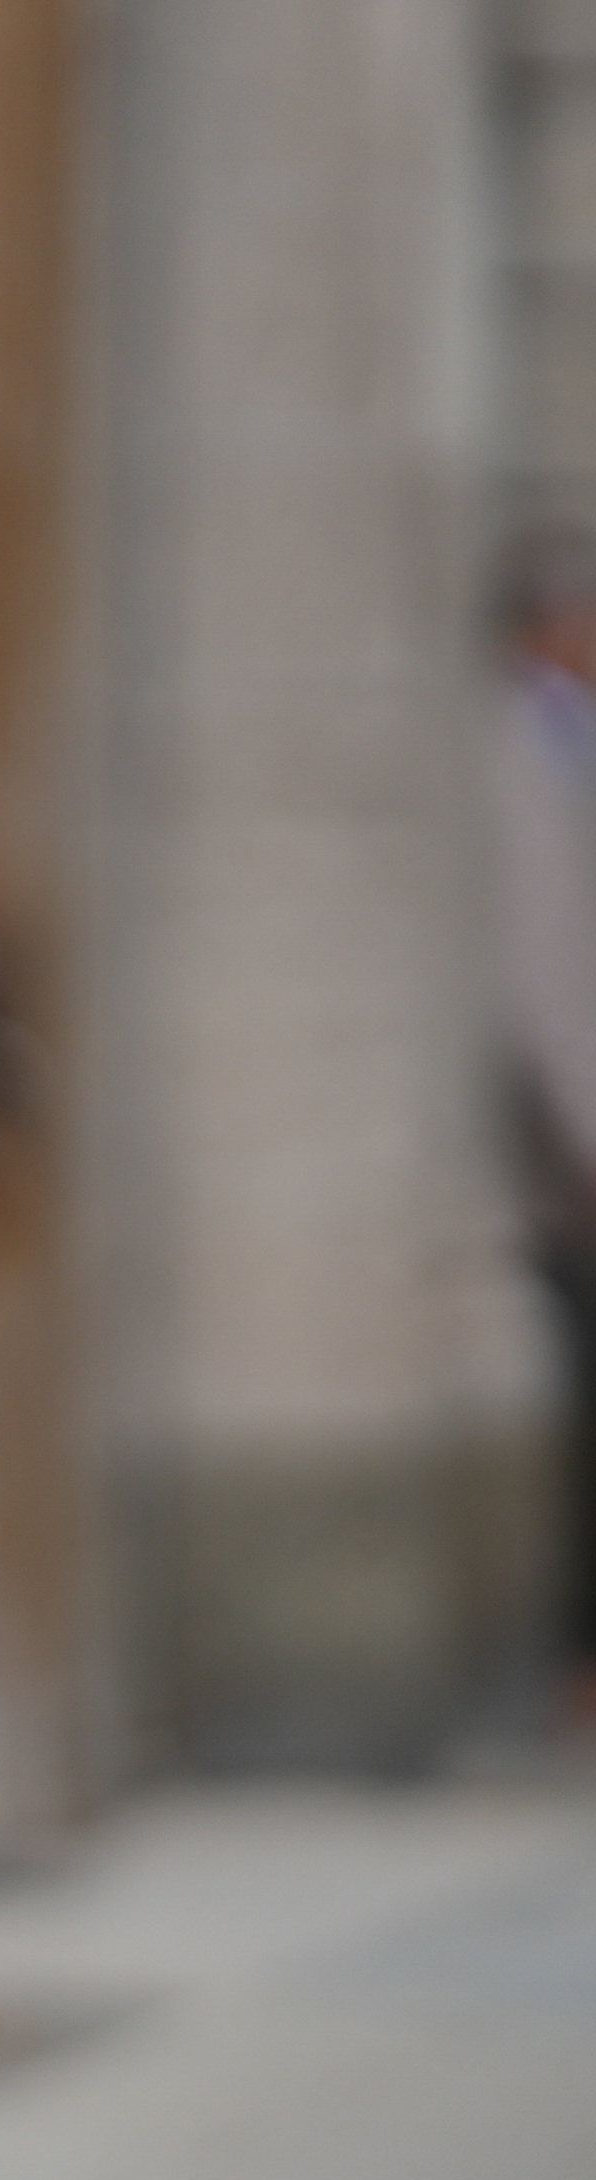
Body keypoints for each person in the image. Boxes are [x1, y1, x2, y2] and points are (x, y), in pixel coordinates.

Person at [490, 523, 596, 1678]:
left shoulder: (570, 743)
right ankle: (579, 1660)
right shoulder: (518, 748)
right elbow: (543, 974)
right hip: (564, 1164)